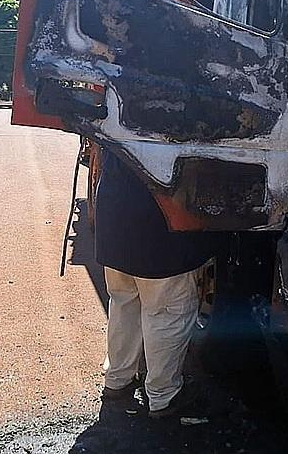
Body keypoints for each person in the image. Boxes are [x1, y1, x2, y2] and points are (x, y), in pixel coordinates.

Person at [94, 149, 218, 418]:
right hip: (158, 227)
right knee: (166, 311)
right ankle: (164, 396)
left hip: (114, 220)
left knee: (124, 303)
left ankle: (118, 379)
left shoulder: (124, 114)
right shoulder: (176, 113)